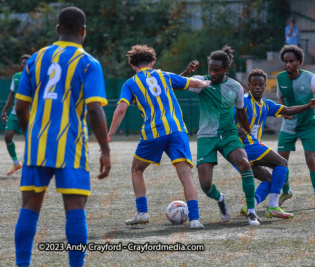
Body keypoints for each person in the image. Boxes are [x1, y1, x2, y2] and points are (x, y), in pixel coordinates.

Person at [14, 7, 111, 267]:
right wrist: (105, 150)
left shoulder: (35, 59)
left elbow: (20, 108)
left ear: (58, 30)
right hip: (70, 144)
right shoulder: (89, 62)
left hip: (37, 144)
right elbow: (94, 109)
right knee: (76, 208)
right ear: (84, 32)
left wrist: (31, 135)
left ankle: (22, 264)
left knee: (30, 206)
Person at [107, 45, 210, 229]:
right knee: (186, 175)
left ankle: (142, 213)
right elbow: (194, 83)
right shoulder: (164, 75)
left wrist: (110, 134)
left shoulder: (130, 83)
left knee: (136, 170)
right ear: (152, 63)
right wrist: (207, 83)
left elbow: (121, 108)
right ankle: (194, 219)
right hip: (177, 130)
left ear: (132, 65)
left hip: (153, 133)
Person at [181, 45, 260, 226]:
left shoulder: (236, 87)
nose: (213, 73)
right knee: (205, 185)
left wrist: (247, 132)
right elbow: (176, 84)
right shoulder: (201, 82)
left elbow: (241, 112)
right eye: (210, 69)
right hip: (206, 137)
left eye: (217, 70)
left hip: (228, 133)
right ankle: (220, 199)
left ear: (226, 69)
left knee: (245, 164)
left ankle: (251, 212)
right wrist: (187, 72)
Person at [235, 69, 315, 219]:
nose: (257, 87)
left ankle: (250, 206)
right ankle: (273, 206)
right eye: (254, 84)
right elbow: (226, 118)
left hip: (248, 150)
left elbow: (288, 109)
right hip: (245, 147)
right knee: (282, 163)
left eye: (261, 85)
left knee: (270, 180)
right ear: (248, 85)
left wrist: (308, 106)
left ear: (264, 86)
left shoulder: (265, 104)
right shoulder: (243, 102)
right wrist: (235, 129)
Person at [276, 45, 315, 209]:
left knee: (311, 160)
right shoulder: (280, 78)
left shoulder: (311, 78)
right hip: (288, 126)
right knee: (280, 162)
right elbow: (281, 98)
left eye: (291, 61)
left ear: (298, 62)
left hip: (307, 125)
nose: (288, 64)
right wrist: (284, 111)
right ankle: (286, 191)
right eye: (285, 61)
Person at [1, 54, 31, 175]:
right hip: (15, 112)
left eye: (27, 62)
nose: (25, 64)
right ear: (20, 64)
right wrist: (4, 110)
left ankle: (31, 165)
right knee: (7, 137)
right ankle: (16, 163)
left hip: (30, 113)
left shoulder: (36, 77)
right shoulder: (16, 76)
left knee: (31, 140)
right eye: (23, 62)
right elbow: (11, 95)